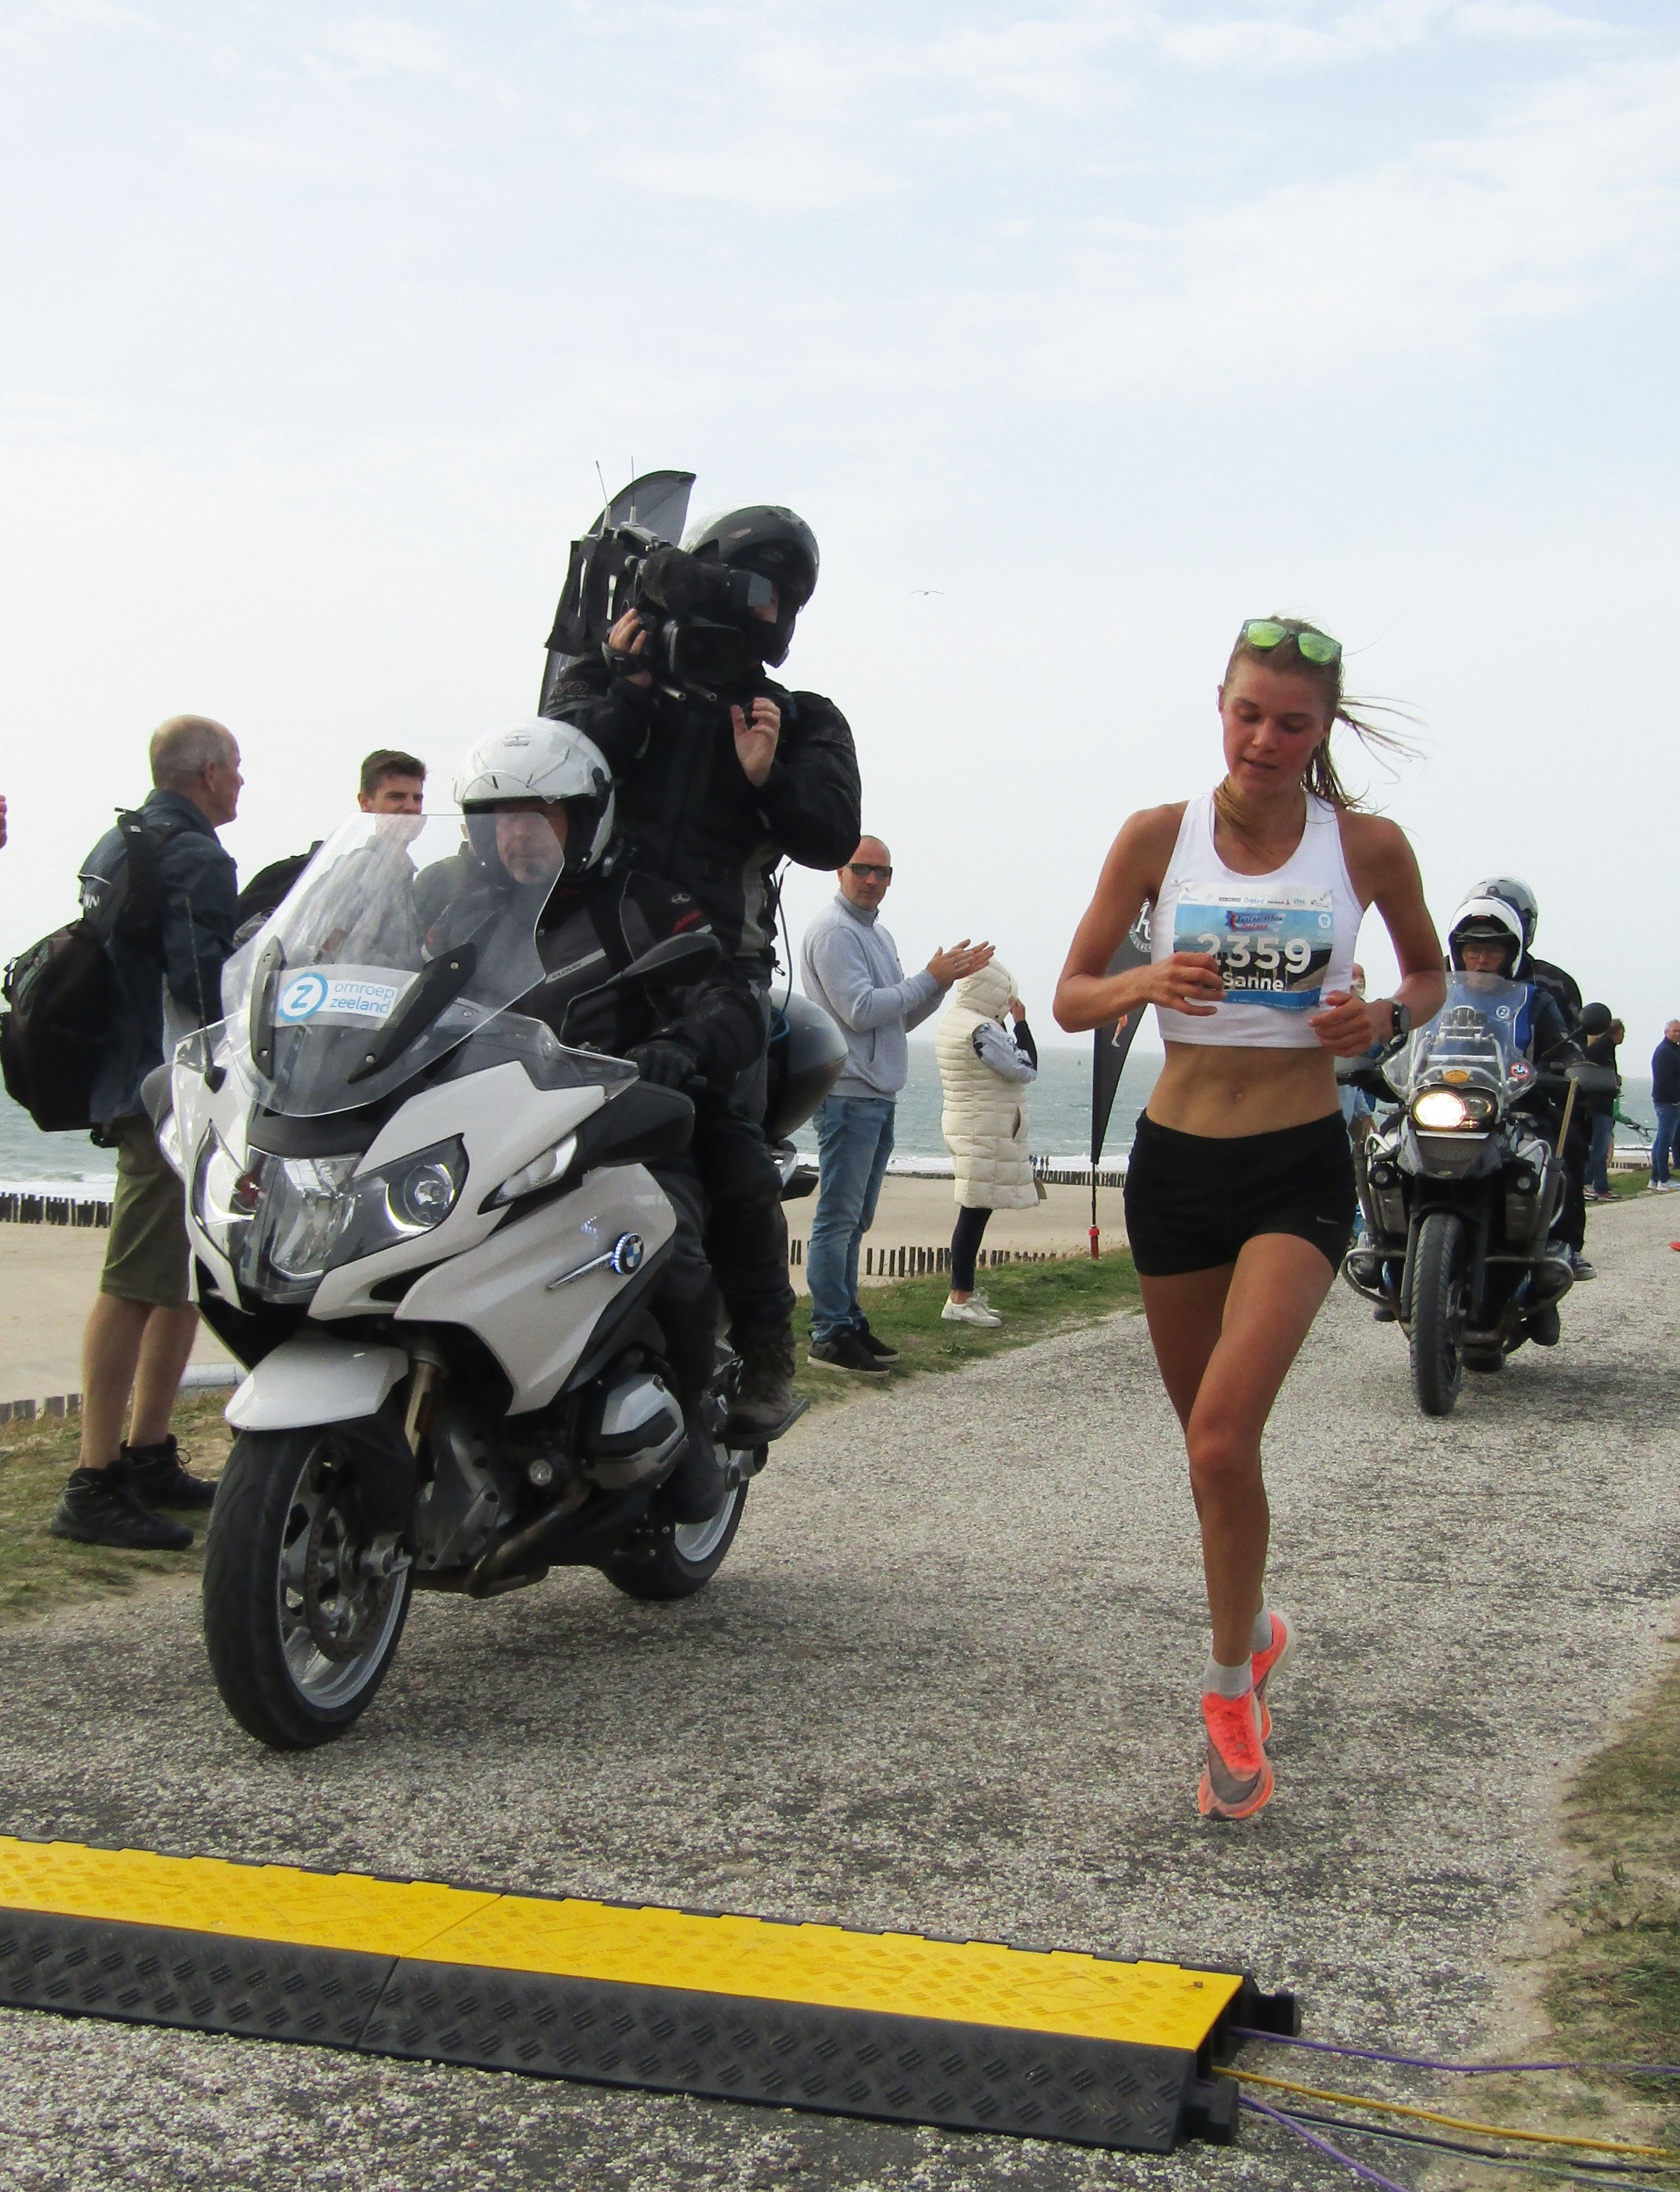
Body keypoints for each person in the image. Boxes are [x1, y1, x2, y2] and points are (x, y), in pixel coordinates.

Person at [1054, 615, 1444, 1822]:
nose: (1264, 738)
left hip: (1295, 1166)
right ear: (1218, 705)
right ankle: (1255, 1623)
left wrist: (1381, 1020)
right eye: (1247, 713)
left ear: (1322, 731)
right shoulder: (1156, 837)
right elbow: (1070, 996)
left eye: (1291, 722)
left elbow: (1427, 974)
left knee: (1224, 1438)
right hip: (1174, 1166)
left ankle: (1229, 1689)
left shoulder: (1364, 847)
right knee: (1206, 1449)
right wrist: (1142, 979)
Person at [542, 506, 861, 1442]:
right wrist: (626, 684)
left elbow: (831, 831)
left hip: (718, 967)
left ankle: (765, 1350)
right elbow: (552, 770)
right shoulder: (620, 671)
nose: (765, 610)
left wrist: (766, 776)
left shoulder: (796, 717)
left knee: (724, 1147)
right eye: (753, 587)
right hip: (590, 956)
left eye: (781, 597)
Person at [451, 722, 765, 1520]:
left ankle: (693, 1429)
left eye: (539, 816)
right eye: (501, 820)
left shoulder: (641, 904)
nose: (517, 836)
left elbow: (727, 1000)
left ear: (585, 820)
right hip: (482, 1135)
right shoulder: (457, 912)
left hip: (616, 1132)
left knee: (671, 1245)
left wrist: (678, 1045)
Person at [52, 717, 243, 1550]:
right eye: (236, 768)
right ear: (208, 773)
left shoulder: (121, 841)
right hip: (172, 1092)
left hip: (125, 1078)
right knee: (134, 1283)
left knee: (175, 1278)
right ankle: (94, 1483)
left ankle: (149, 1452)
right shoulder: (195, 855)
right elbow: (205, 985)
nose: (242, 783)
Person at [800, 837, 993, 1373]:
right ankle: (829, 1332)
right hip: (848, 1095)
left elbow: (896, 1018)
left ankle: (847, 1319)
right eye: (862, 869)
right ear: (840, 871)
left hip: (875, 1095)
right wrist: (929, 978)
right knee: (838, 1219)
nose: (872, 880)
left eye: (882, 872)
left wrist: (938, 987)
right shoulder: (835, 932)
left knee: (855, 1219)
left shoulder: (876, 934)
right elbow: (861, 1010)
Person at [935, 960, 1039, 1327]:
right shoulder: (982, 1029)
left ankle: (962, 1295)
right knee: (974, 1211)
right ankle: (959, 1299)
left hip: (968, 1122)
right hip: (984, 1127)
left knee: (974, 1207)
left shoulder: (954, 1021)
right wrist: (1021, 1025)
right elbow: (1025, 1067)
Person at [234, 749, 427, 940]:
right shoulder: (361, 868)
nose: (411, 807)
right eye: (396, 797)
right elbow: (331, 947)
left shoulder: (404, 874)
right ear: (365, 803)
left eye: (417, 798)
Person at [1580, 1007, 1621, 1202]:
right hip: (1599, 1104)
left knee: (1601, 1149)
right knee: (1599, 1148)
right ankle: (1586, 1183)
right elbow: (1591, 1071)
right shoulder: (1601, 1048)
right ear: (1617, 1032)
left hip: (1604, 1103)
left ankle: (1601, 1187)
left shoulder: (1607, 1049)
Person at [1651, 1019, 1680, 1192]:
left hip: (1671, 1101)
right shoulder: (1664, 1052)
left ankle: (1654, 1179)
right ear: (1667, 1032)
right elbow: (1664, 1080)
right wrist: (1675, 1099)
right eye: (1675, 1031)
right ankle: (1664, 1179)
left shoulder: (1675, 1050)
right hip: (1667, 1101)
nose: (1678, 1034)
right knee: (1664, 1142)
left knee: (1661, 1140)